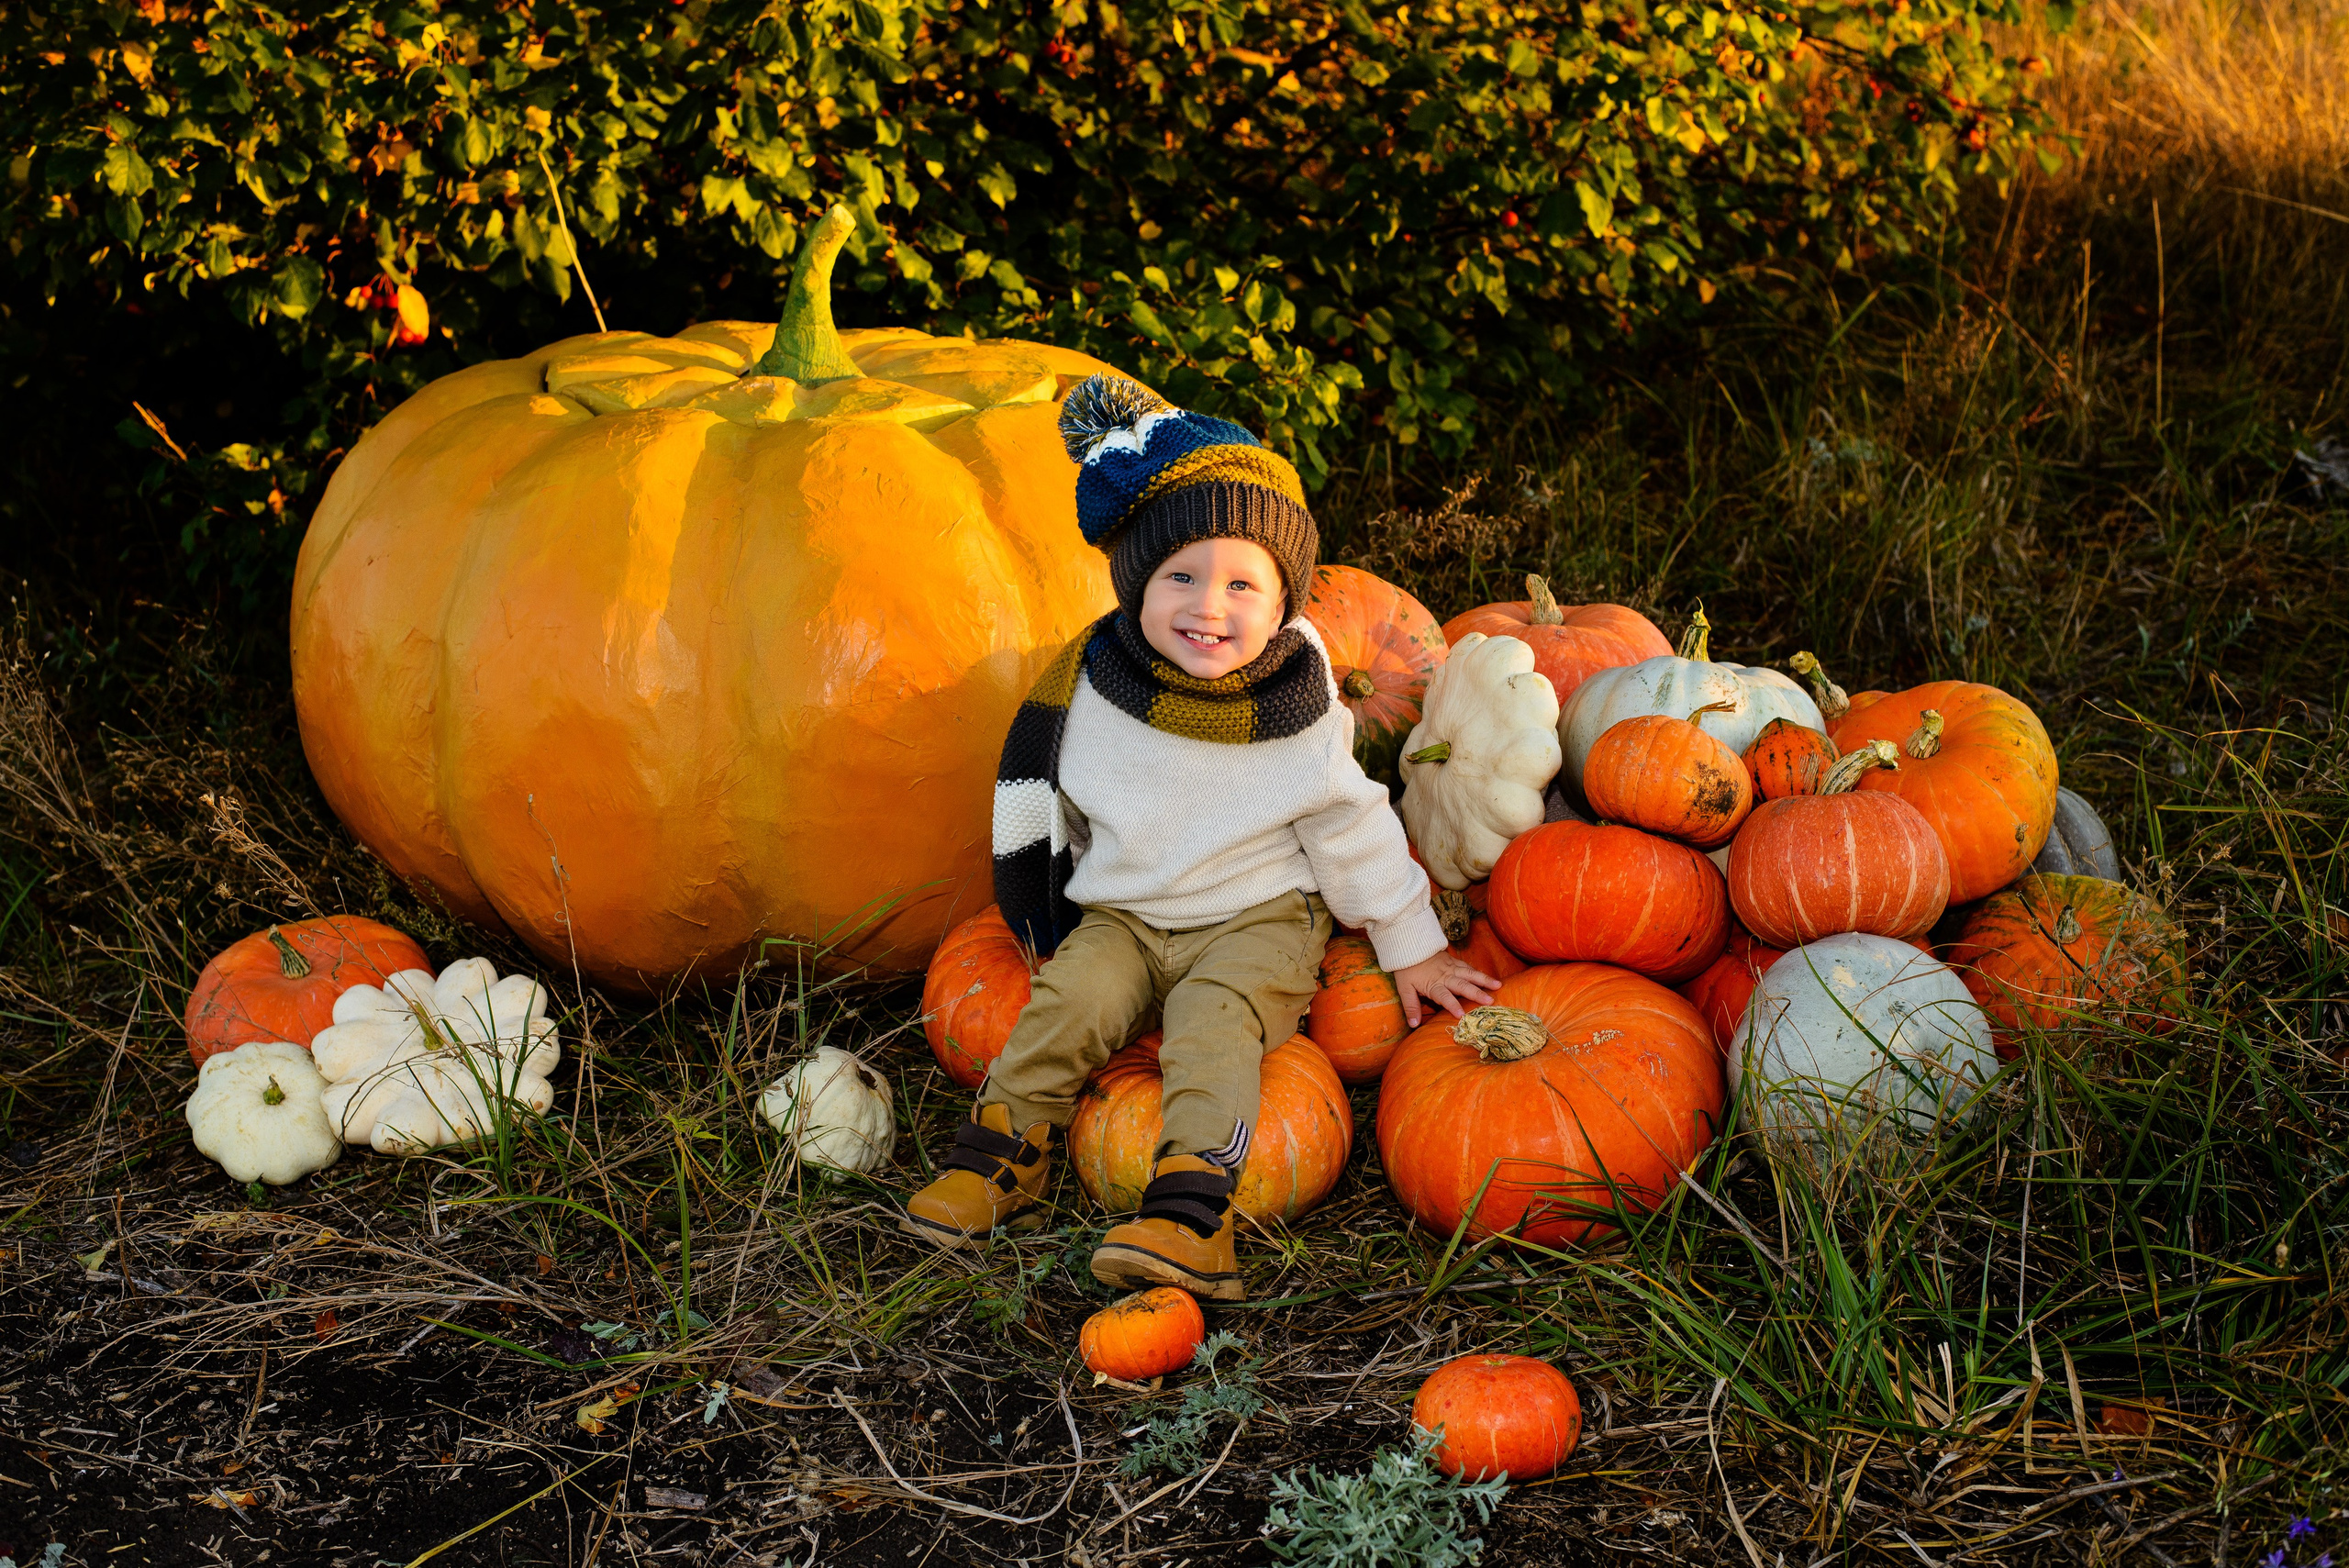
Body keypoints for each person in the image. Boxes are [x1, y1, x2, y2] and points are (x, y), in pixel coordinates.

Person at [899, 375, 1496, 1300]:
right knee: (1067, 1001)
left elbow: (1350, 823)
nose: (1207, 606)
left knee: (1211, 1027)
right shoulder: (1095, 682)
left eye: (1241, 583)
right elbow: (1055, 800)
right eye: (1179, 575)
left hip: (1256, 918)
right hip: (1128, 912)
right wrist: (1053, 900)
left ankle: (1191, 1214)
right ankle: (1001, 1157)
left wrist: (1411, 941)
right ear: (1135, 582)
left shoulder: (1295, 704)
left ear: (1283, 600)